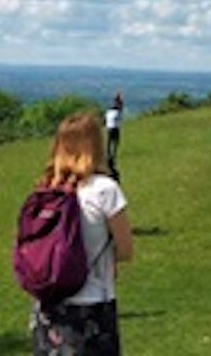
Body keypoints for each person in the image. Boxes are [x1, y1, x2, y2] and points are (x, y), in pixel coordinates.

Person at [30, 112, 135, 356]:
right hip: (91, 305)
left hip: (48, 307)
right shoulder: (104, 190)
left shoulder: (46, 190)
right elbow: (126, 250)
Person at [103, 93, 123, 175]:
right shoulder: (117, 112)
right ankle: (113, 155)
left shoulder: (108, 112)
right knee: (115, 142)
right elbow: (120, 110)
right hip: (115, 128)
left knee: (108, 142)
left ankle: (108, 154)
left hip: (108, 128)